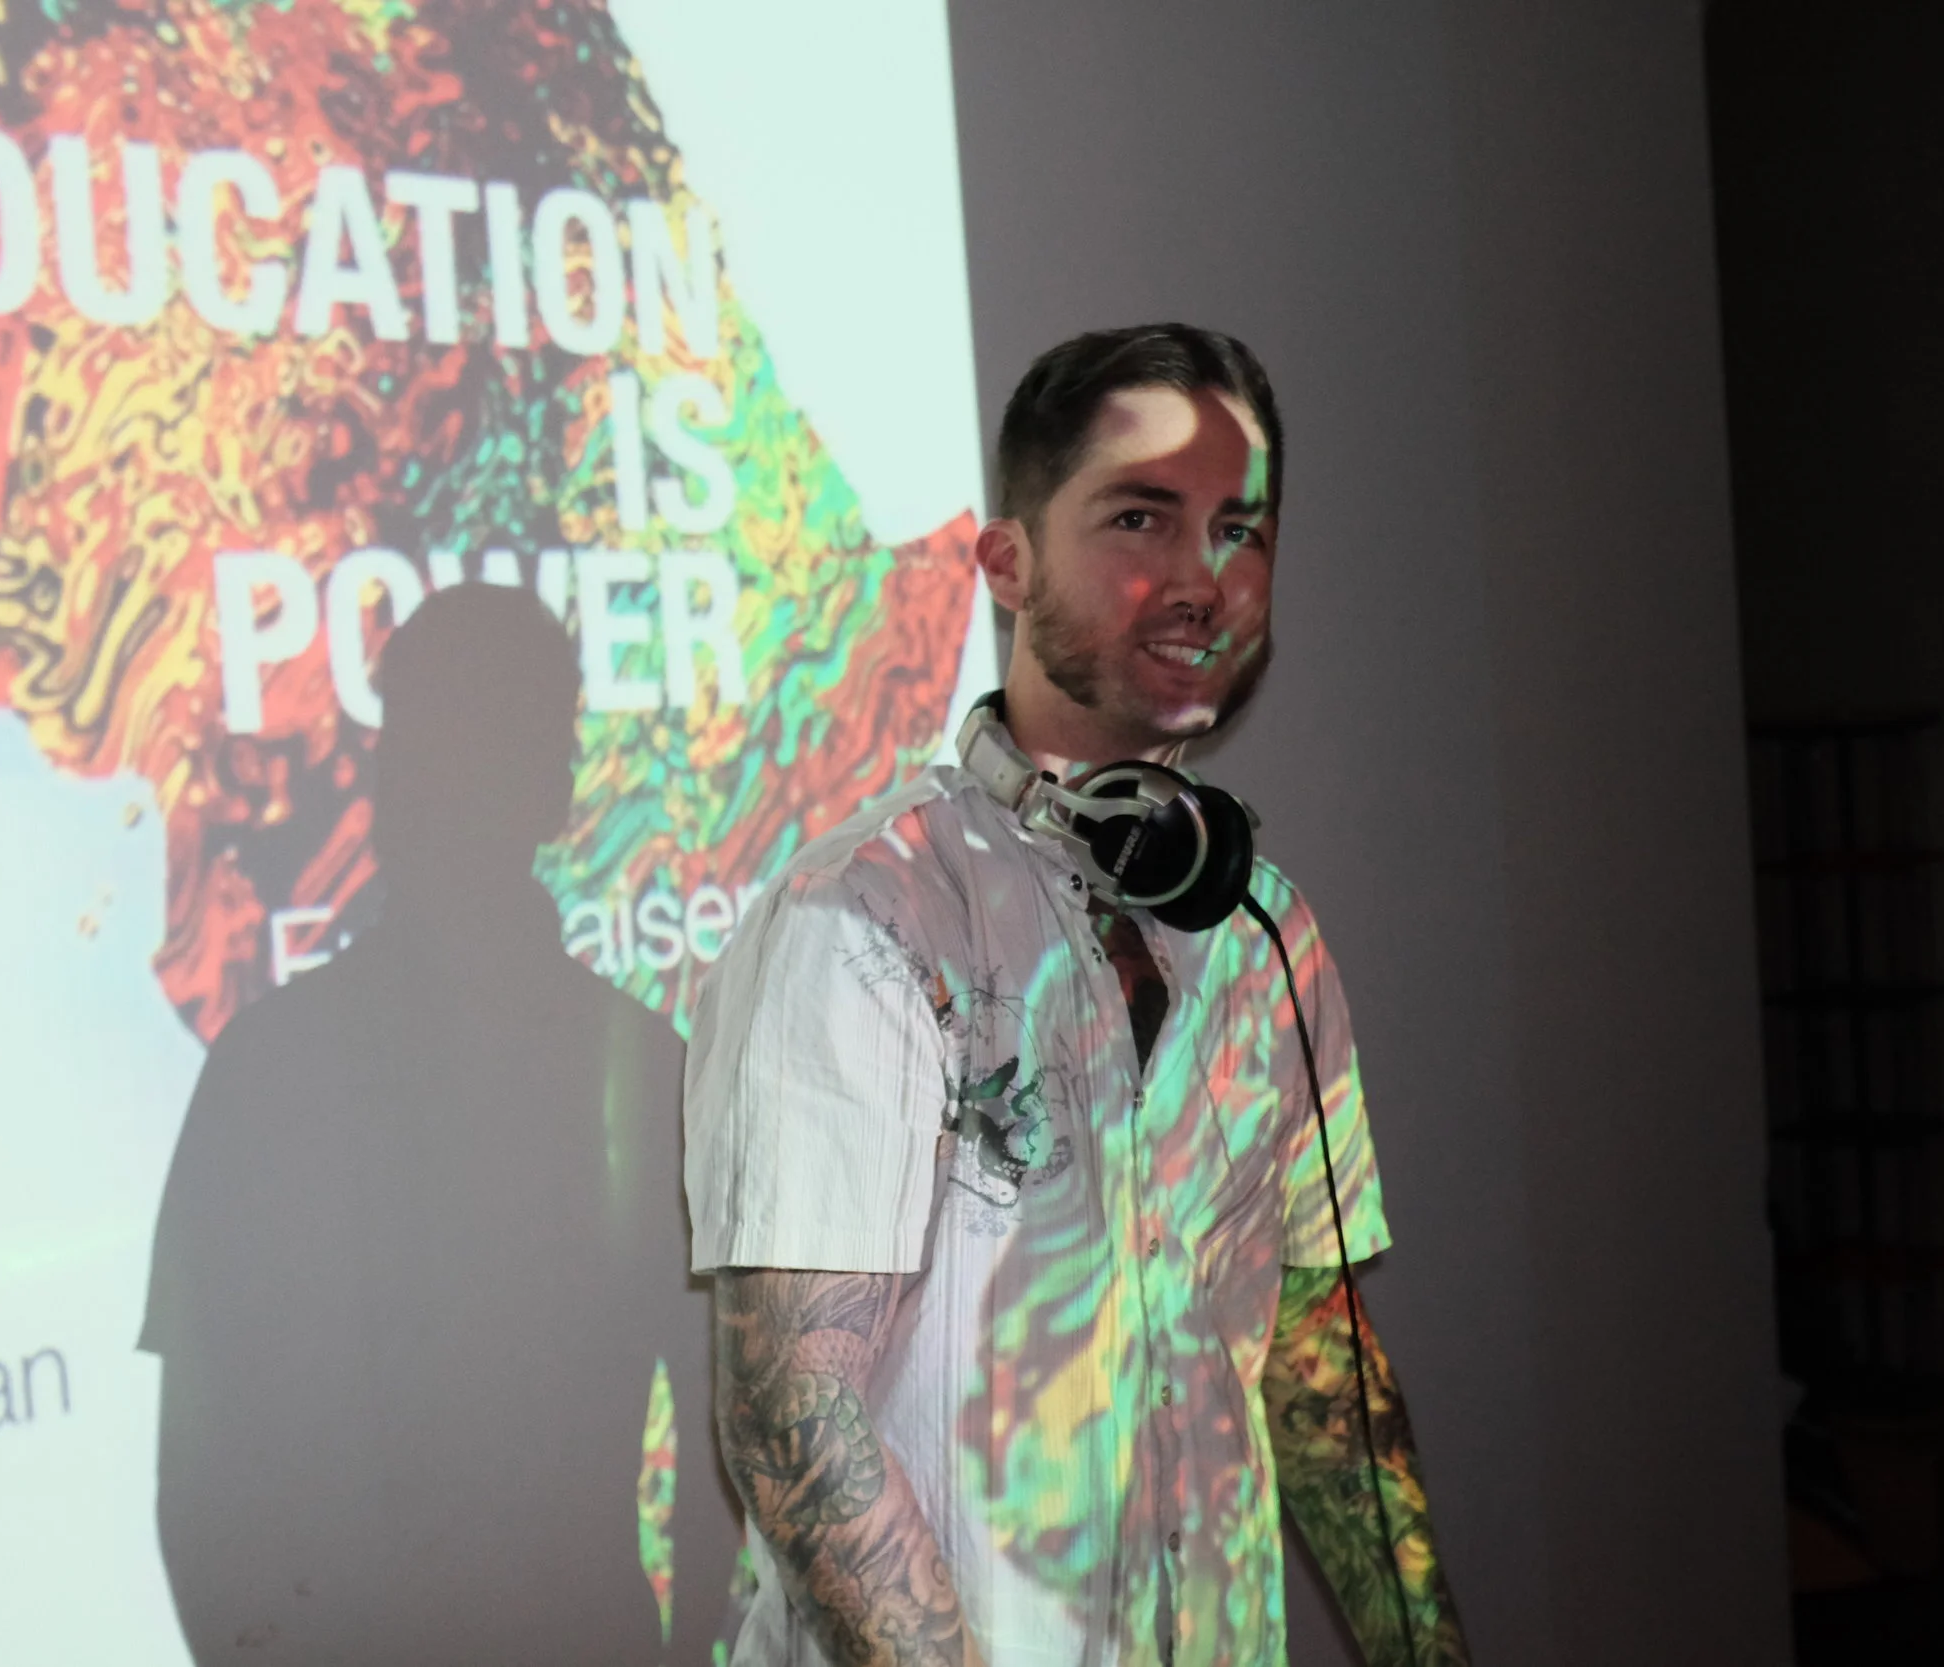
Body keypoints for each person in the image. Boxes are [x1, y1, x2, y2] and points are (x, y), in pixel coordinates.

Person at [683, 325, 1468, 1666]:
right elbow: (792, 1412)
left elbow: (1313, 1353)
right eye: (1139, 517)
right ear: (1007, 561)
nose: (1202, 578)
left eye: (1239, 528)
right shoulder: (861, 915)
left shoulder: (1267, 928)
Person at [141, 585, 737, 1663]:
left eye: (455, 748)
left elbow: (718, 1454)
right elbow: (200, 1484)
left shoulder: (646, 1077)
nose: (428, 785)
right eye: (417, 748)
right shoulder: (647, 1070)